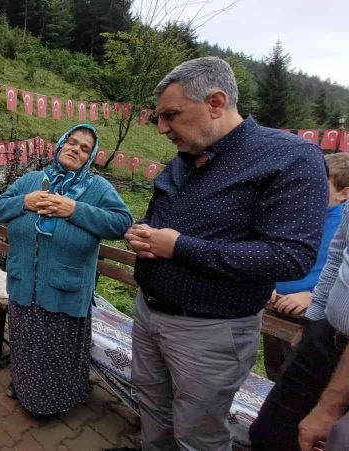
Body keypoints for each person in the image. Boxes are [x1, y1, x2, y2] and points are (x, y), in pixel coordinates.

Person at [116, 56, 328, 451]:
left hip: (211, 330)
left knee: (198, 435)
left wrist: (179, 246)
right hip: (148, 312)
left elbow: (290, 256)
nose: (162, 127)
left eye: (171, 115)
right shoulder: (185, 156)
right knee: (152, 410)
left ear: (215, 103)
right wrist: (143, 233)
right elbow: (160, 217)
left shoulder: (291, 158)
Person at [0, 123, 131, 417]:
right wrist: (25, 202)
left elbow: (122, 224)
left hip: (65, 287)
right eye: (72, 142)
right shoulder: (32, 180)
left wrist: (74, 210)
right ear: (61, 144)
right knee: (25, 343)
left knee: (57, 351)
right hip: (23, 281)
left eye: (85, 148)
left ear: (90, 157)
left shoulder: (97, 188)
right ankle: (23, 386)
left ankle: (54, 402)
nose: (76, 149)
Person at [250, 203, 349, 449]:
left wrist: (329, 407)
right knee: (269, 431)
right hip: (326, 333)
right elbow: (336, 259)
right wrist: (311, 321)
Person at [263, 152, 349, 381]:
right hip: (275, 302)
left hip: (309, 313)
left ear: (343, 193)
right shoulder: (297, 211)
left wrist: (313, 296)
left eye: (321, 186)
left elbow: (338, 269)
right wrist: (266, 282)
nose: (310, 190)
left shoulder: (342, 224)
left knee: (297, 374)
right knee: (274, 369)